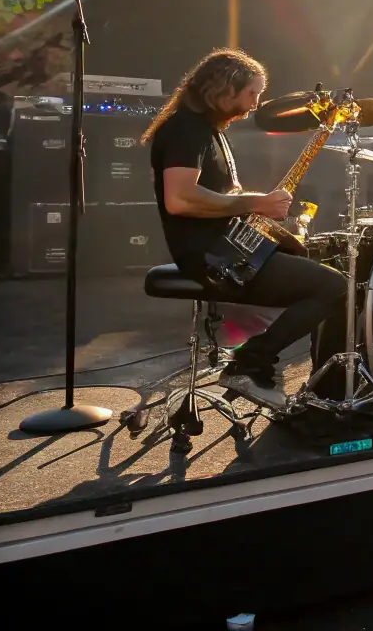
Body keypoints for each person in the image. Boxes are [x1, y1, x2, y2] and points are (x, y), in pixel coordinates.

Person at [142, 49, 346, 409]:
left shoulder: (208, 131)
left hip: (225, 247)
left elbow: (215, 199)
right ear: (223, 89)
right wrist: (255, 202)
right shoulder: (186, 130)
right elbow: (180, 199)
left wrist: (269, 223)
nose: (257, 102)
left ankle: (328, 387)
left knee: (333, 267)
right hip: (210, 256)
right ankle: (250, 365)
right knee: (332, 286)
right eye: (252, 93)